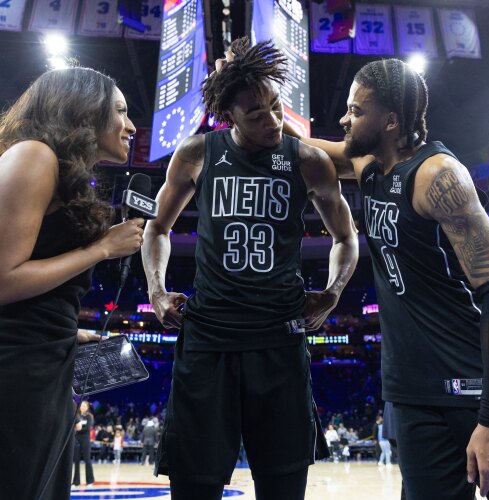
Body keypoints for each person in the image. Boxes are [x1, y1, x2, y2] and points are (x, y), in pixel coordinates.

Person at [142, 37, 359, 500]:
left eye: (276, 106)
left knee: (283, 486)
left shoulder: (308, 161)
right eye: (256, 114)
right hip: (208, 339)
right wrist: (156, 291)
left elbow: (346, 238)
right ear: (229, 116)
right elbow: (156, 228)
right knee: (193, 485)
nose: (272, 120)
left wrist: (334, 292)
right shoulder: (197, 153)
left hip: (280, 339)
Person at [279, 58, 489, 499]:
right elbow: (301, 147)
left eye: (356, 111)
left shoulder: (438, 176)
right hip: (414, 390)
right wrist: (255, 93)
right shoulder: (368, 166)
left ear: (391, 121)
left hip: (473, 384)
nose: (344, 119)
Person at [0, 67, 144, 500]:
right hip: (16, 367)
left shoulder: (55, 168)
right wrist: (101, 249)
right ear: (85, 110)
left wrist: (66, 329)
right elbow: (3, 280)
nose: (131, 126)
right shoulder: (34, 155)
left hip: (44, 357)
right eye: (120, 111)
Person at [72, 400, 95, 487]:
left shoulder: (89, 416)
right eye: (81, 406)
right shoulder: (76, 415)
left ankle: (90, 481)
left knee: (87, 459)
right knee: (76, 460)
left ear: (87, 407)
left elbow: (88, 428)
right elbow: (73, 426)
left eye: (84, 406)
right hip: (77, 439)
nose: (82, 407)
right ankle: (76, 482)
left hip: (85, 439)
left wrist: (78, 428)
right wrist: (78, 428)